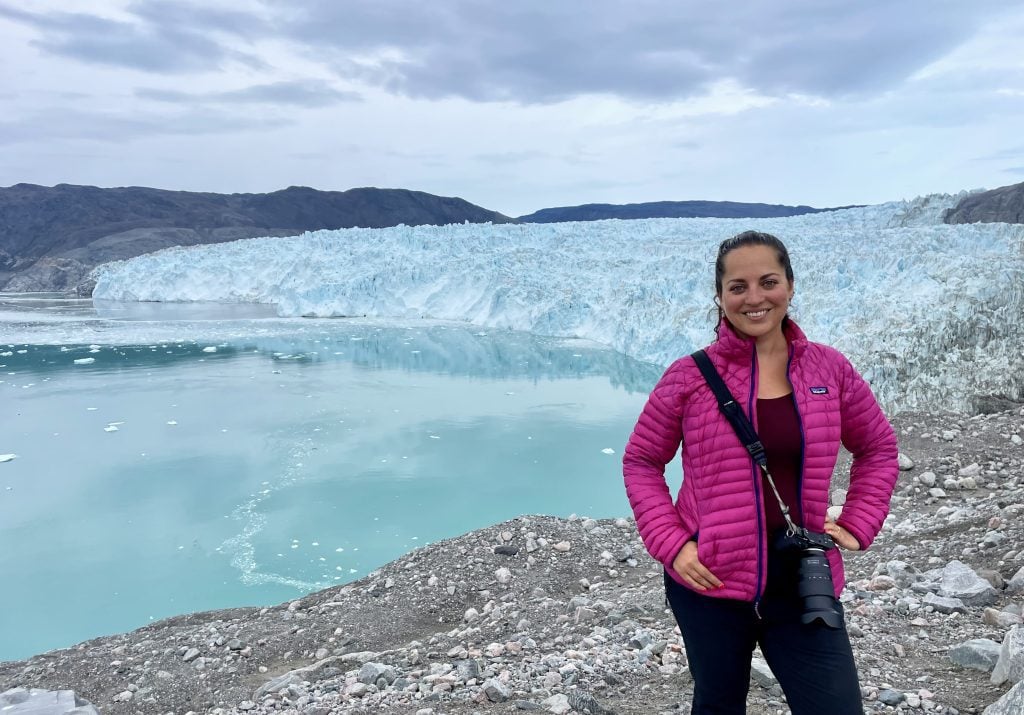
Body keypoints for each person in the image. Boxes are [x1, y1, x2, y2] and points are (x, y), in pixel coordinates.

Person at [622, 230, 898, 715]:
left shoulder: (828, 370)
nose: (754, 298)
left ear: (789, 286)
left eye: (768, 281)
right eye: (738, 286)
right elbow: (642, 460)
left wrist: (860, 519)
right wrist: (672, 544)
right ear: (721, 296)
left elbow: (877, 446)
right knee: (719, 703)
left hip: (802, 579)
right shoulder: (688, 378)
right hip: (710, 581)